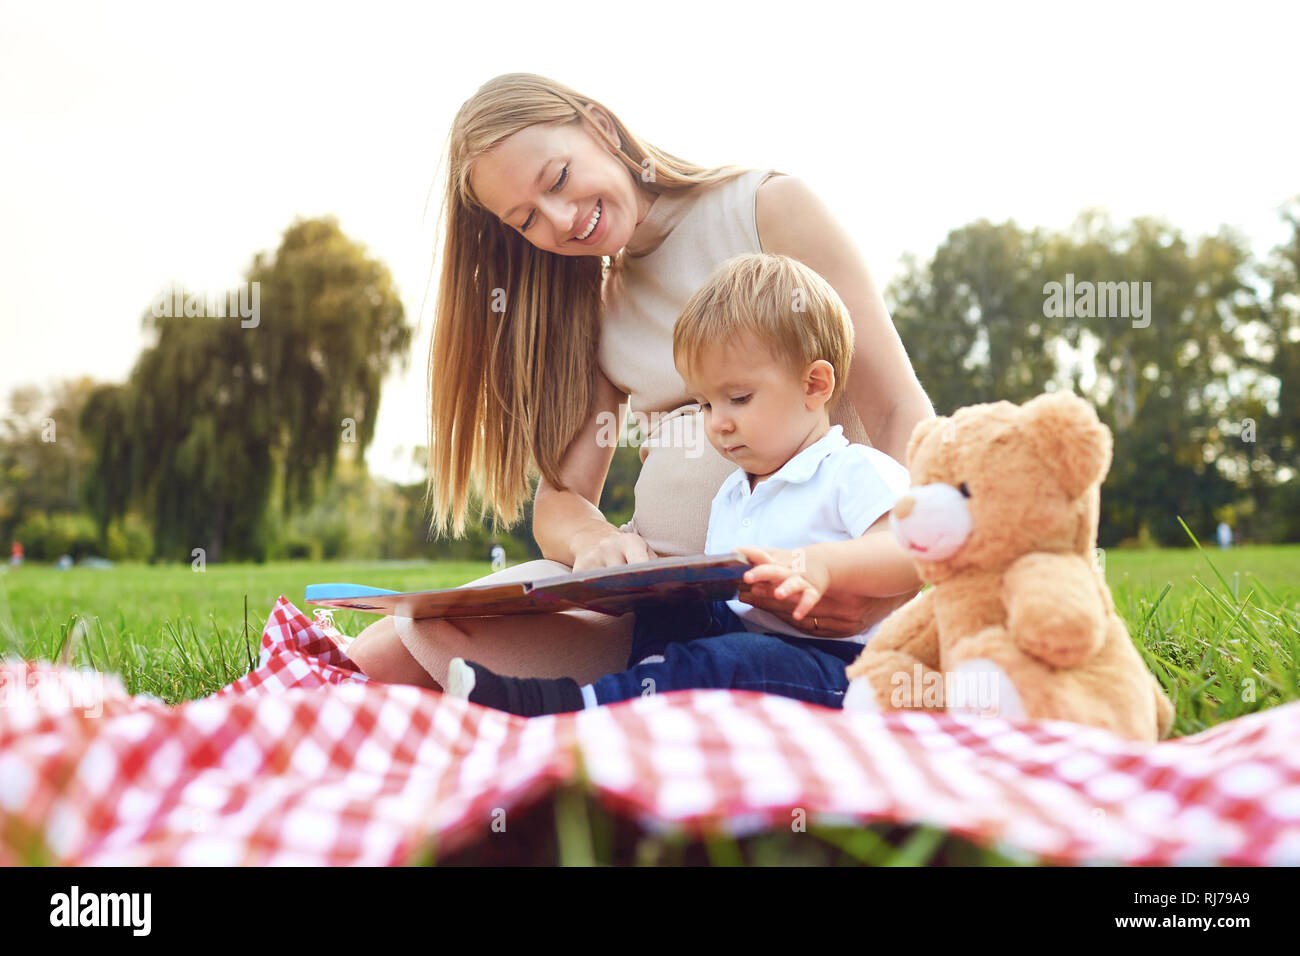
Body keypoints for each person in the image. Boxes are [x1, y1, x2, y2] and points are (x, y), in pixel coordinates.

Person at [345, 73, 934, 690]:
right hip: (658, 609)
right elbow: (562, 499)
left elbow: (898, 410)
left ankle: (572, 724)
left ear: (599, 126)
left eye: (559, 180)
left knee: (408, 661)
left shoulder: (767, 209)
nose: (561, 220)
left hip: (798, 608)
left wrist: (891, 580)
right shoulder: (599, 303)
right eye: (525, 220)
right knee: (387, 649)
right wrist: (597, 542)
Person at [444, 254, 921, 715]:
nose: (718, 424)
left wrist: (819, 566)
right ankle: (650, 690)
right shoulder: (734, 493)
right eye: (705, 405)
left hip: (838, 670)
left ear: (814, 385)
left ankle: (579, 708)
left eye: (737, 398)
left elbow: (909, 550)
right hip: (742, 641)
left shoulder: (852, 469)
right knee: (669, 603)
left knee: (735, 660)